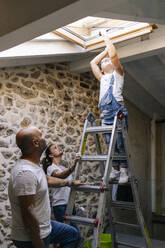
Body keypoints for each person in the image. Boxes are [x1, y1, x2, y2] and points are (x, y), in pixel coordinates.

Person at [8, 126, 82, 248]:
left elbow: (46, 179)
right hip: (32, 236)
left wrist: (69, 183)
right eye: (41, 135)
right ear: (35, 143)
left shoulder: (34, 166)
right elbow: (28, 215)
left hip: (45, 226)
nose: (45, 138)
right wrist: (38, 244)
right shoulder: (25, 172)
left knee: (73, 235)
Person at [90, 32, 128, 184]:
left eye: (108, 60)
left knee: (119, 142)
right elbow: (93, 63)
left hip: (117, 112)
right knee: (109, 143)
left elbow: (113, 55)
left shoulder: (118, 73)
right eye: (103, 61)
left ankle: (124, 170)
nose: (105, 60)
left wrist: (106, 38)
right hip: (105, 114)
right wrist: (104, 52)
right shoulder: (102, 78)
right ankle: (115, 169)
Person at [42, 143, 80, 225]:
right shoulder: (50, 168)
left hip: (70, 205)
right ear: (51, 155)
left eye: (58, 146)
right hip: (60, 206)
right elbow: (61, 176)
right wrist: (74, 164)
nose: (58, 147)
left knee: (72, 233)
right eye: (55, 148)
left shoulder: (64, 168)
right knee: (73, 234)